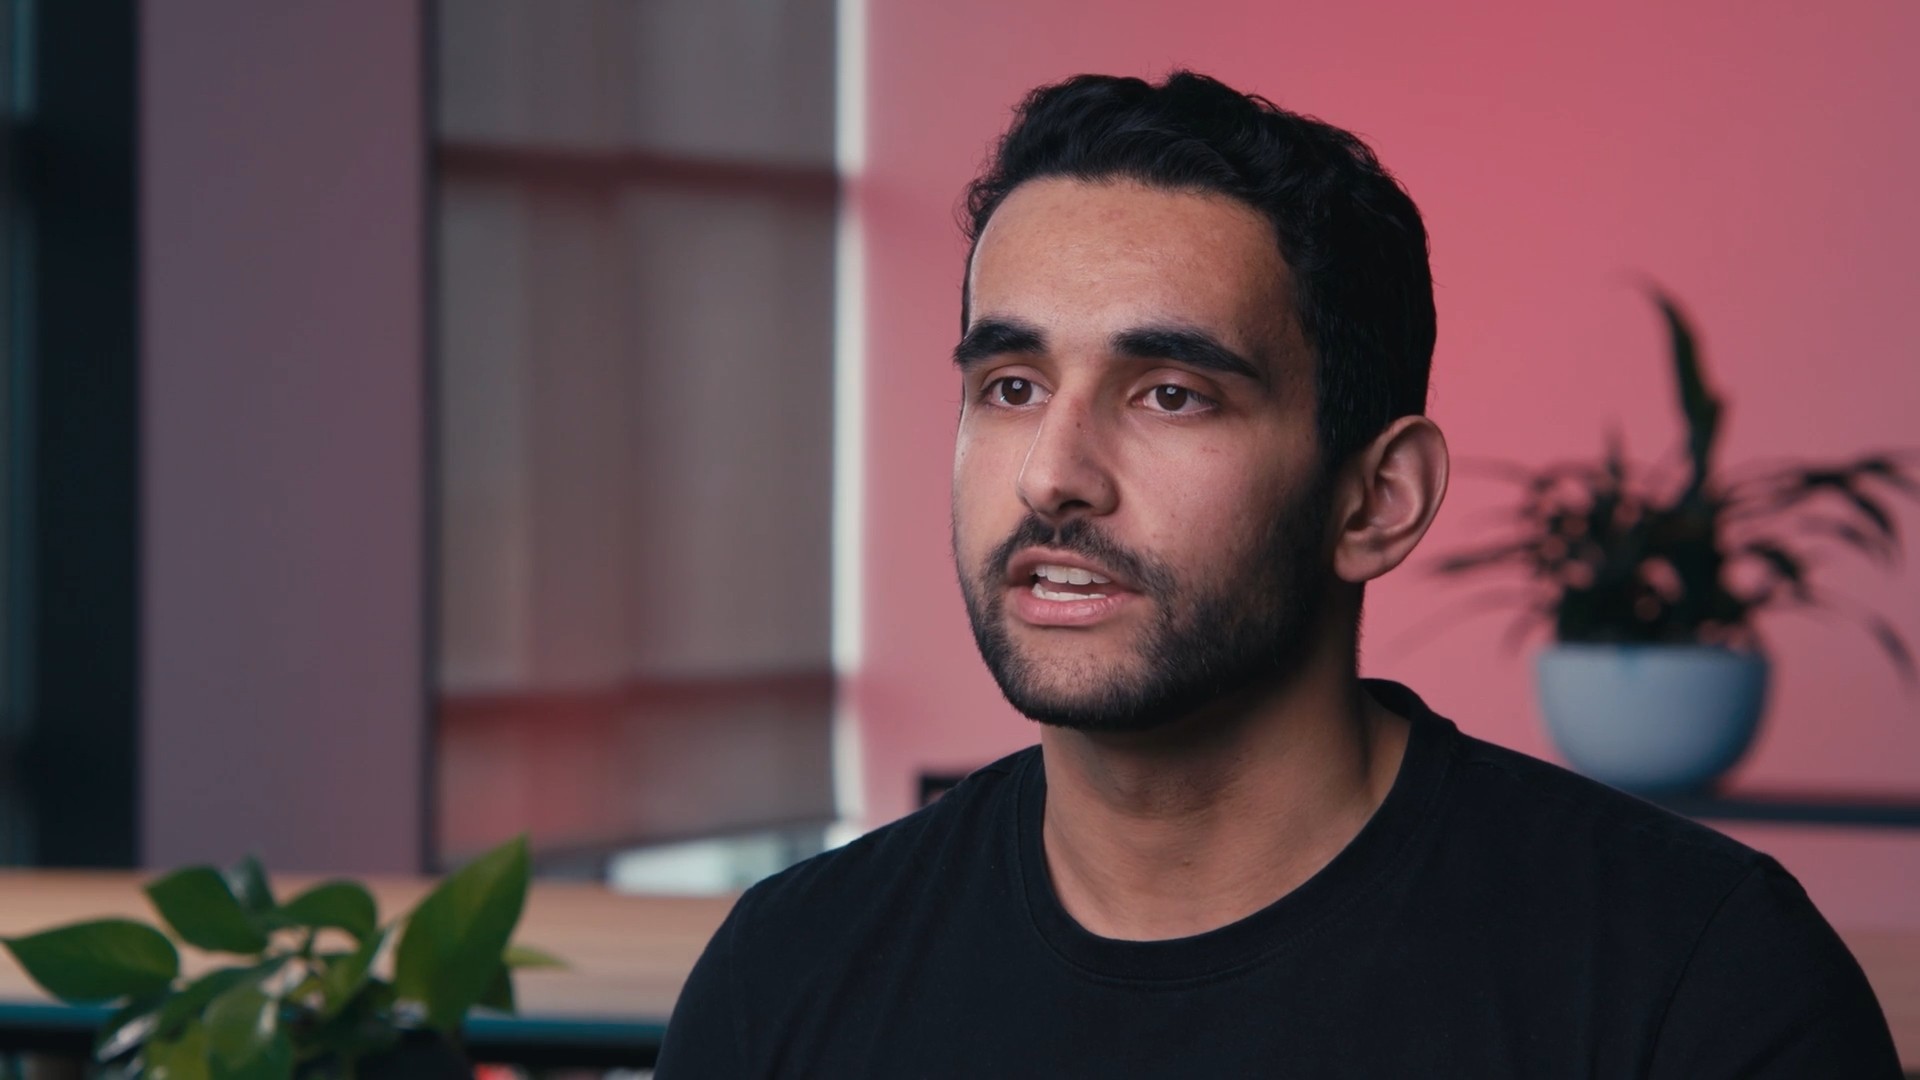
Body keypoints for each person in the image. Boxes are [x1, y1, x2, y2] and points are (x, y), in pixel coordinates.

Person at [654, 71, 1900, 1077]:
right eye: (1013, 385)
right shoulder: (788, 976)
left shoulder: (1696, 983)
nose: (1052, 476)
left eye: (1171, 394)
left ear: (1377, 499)